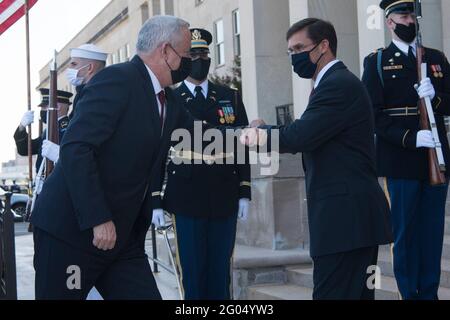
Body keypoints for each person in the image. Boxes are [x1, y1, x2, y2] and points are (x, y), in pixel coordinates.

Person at [30, 15, 201, 300]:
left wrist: (260, 137)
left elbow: (202, 135)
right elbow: (77, 148)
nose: (189, 61)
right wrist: (98, 218)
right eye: (186, 53)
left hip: (121, 242)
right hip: (71, 236)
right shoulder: (118, 80)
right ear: (166, 51)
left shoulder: (168, 101)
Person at [242, 18, 393, 300]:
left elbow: (301, 136)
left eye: (299, 48)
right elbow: (311, 130)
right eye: (290, 51)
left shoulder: (338, 85)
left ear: (324, 45)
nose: (294, 57)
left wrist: (259, 135)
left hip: (346, 223)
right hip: (349, 222)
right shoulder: (332, 85)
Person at [151, 28, 251, 300]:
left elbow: (240, 144)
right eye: (193, 53)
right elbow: (158, 151)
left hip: (224, 192)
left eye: (204, 53)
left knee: (220, 272)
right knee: (194, 273)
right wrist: (156, 199)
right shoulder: (169, 97)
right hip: (186, 195)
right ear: (184, 58)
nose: (200, 58)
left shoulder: (229, 96)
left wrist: (244, 191)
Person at [362, 0, 450, 300]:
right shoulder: (376, 62)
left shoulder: (435, 58)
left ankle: (429, 293)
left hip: (435, 160)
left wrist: (434, 95)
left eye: (412, 15)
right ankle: (409, 294)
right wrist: (411, 138)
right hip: (400, 161)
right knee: (404, 235)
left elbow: (449, 102)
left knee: (432, 234)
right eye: (403, 15)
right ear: (389, 22)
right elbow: (374, 115)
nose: (409, 21)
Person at [14, 88, 73, 170]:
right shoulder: (48, 131)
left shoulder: (68, 129)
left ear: (58, 106)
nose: (42, 110)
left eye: (44, 107)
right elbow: (25, 149)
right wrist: (22, 127)